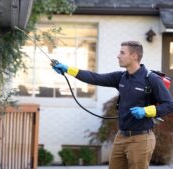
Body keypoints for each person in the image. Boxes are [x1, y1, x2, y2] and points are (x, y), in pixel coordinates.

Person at [52, 41, 173, 169]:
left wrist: (146, 111)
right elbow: (94, 77)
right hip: (121, 136)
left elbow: (169, 105)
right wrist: (67, 69)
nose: (118, 56)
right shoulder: (120, 77)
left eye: (122, 52)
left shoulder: (151, 79)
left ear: (134, 56)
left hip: (141, 139)